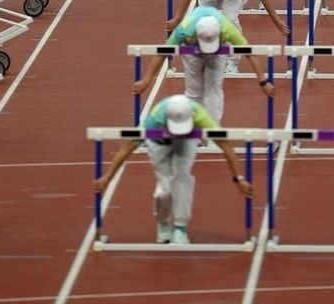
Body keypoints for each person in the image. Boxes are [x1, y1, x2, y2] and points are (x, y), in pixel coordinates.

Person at [94, 94, 252, 245]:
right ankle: (163, 223)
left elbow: (225, 145)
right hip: (158, 143)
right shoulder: (153, 120)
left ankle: (180, 228)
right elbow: (126, 148)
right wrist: (107, 178)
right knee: (165, 187)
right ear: (166, 120)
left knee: (181, 177)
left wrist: (238, 178)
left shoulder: (200, 115)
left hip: (186, 142)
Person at [134, 7, 275, 122]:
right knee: (193, 91)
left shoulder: (226, 29)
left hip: (218, 51)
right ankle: (192, 130)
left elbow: (250, 53)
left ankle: (212, 132)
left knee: (213, 88)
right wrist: (146, 80)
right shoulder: (185, 29)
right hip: (192, 50)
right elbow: (163, 52)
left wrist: (263, 82)